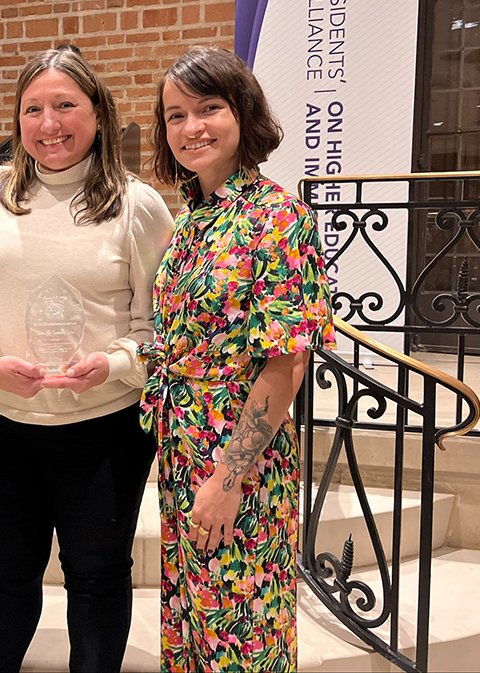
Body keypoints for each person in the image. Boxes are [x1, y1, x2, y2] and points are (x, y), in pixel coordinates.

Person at [0, 46, 174, 672]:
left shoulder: (136, 204)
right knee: (7, 575)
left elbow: (164, 327)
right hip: (1, 430)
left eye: (66, 105)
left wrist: (115, 363)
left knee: (96, 579)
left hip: (103, 434)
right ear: (17, 119)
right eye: (33, 108)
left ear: (98, 115)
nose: (49, 123)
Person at [141, 46, 335, 672]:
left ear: (242, 114)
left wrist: (228, 479)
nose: (190, 127)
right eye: (175, 116)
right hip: (183, 451)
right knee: (193, 625)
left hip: (238, 465)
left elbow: (287, 365)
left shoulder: (277, 217)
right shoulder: (195, 217)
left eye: (208, 109)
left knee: (241, 636)